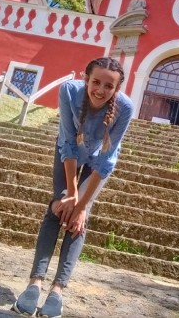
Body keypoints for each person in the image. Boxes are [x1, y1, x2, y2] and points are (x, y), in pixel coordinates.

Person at [12, 57, 134, 317]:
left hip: (97, 159)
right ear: (86, 78)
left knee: (79, 218)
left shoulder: (125, 108)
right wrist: (71, 193)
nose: (100, 90)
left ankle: (57, 290)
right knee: (58, 207)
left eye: (109, 86)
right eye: (96, 82)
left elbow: (106, 161)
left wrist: (81, 206)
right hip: (70, 151)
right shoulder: (69, 91)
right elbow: (67, 144)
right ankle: (35, 283)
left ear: (117, 89)